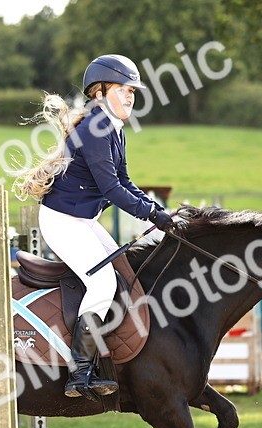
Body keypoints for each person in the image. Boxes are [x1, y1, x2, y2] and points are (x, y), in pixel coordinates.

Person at [14, 53, 175, 400]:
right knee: (101, 280)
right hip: (63, 222)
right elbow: (111, 190)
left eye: (133, 90)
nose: (131, 96)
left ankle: (104, 357)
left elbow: (125, 179)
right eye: (124, 89)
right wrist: (151, 215)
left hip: (83, 220)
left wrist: (158, 210)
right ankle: (80, 372)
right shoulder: (96, 129)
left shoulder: (113, 129)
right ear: (100, 91)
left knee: (122, 273)